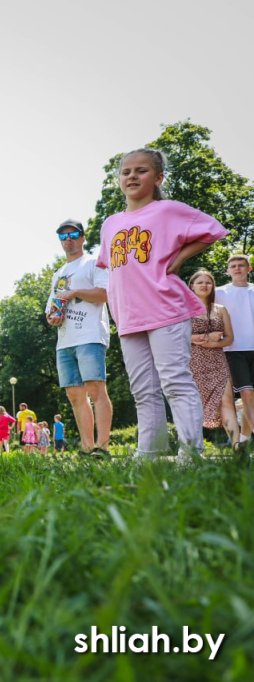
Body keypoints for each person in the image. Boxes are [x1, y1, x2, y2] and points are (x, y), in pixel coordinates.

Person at [96, 148, 227, 459]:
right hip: (128, 315)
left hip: (166, 308)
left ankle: (191, 453)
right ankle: (149, 455)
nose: (131, 176)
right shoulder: (110, 224)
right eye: (126, 172)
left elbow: (213, 229)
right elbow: (112, 268)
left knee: (175, 382)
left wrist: (180, 256)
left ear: (157, 178)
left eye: (141, 171)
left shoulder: (168, 211)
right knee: (143, 391)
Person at [45, 219, 114, 458]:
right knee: (75, 396)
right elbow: (51, 309)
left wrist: (74, 292)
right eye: (63, 237)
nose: (68, 240)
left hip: (90, 335)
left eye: (73, 234)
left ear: (83, 237)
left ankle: (103, 447)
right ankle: (86, 448)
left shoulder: (94, 263)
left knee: (96, 390)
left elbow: (105, 294)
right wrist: (52, 317)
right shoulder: (58, 274)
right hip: (64, 341)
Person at [189, 269, 241, 448]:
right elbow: (176, 337)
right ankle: (192, 448)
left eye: (208, 282)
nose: (204, 285)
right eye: (200, 282)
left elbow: (229, 338)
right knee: (193, 404)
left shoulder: (220, 310)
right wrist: (199, 338)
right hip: (193, 362)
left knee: (226, 401)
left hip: (218, 360)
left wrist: (212, 343)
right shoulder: (183, 309)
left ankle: (236, 446)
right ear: (192, 286)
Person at [215, 255, 254, 448]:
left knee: (252, 399)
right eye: (233, 266)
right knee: (246, 395)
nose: (237, 268)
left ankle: (245, 441)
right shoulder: (218, 292)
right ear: (228, 271)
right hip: (234, 350)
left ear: (249, 268)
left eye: (241, 265)